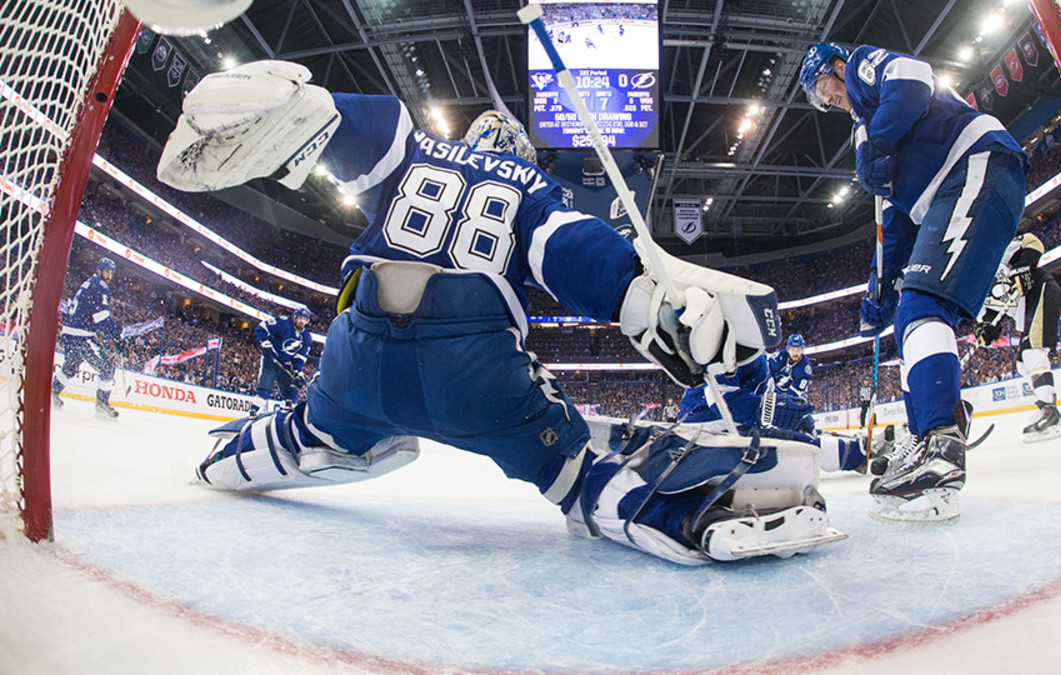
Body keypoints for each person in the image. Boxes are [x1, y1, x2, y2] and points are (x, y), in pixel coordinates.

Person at [157, 60, 847, 565]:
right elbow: (571, 252)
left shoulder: (410, 146)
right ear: (515, 151)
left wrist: (293, 107)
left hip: (357, 347)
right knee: (578, 475)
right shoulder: (531, 186)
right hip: (475, 365)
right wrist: (648, 303)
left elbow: (339, 123)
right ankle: (685, 517)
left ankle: (225, 459)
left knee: (307, 425)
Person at [800, 43, 1029, 524]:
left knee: (923, 303)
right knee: (910, 311)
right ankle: (929, 432)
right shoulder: (863, 132)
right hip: (946, 192)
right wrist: (878, 288)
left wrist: (879, 142)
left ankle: (941, 444)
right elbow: (893, 223)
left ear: (835, 68)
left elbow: (913, 77)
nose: (831, 101)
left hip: (974, 162)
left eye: (826, 90)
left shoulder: (864, 71)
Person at [676, 355, 864, 473]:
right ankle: (852, 454)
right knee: (789, 442)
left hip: (727, 425)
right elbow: (721, 400)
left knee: (790, 438)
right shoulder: (728, 347)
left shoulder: (759, 358)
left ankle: (849, 452)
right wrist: (770, 410)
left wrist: (795, 415)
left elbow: (770, 396)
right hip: (703, 429)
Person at [975, 232, 1061, 441]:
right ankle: (1047, 404)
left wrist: (1022, 267)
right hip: (1028, 311)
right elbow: (988, 322)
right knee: (1023, 364)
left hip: (1042, 292)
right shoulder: (975, 289)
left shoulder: (991, 252)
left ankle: (1049, 411)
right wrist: (985, 331)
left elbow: (1032, 242)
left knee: (1034, 352)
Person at [51, 257, 124, 420]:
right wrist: (118, 334)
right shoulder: (101, 286)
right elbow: (102, 319)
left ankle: (52, 392)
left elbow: (74, 303)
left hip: (69, 333)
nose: (109, 276)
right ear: (99, 270)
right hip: (81, 335)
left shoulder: (87, 284)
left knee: (71, 365)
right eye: (107, 271)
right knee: (107, 366)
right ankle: (102, 404)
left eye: (111, 273)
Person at [251, 307, 313, 415]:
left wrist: (298, 372)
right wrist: (264, 342)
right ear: (295, 318)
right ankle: (254, 411)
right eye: (299, 318)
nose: (301, 321)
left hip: (285, 364)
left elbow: (299, 357)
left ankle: (285, 412)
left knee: (292, 390)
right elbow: (262, 327)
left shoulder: (306, 337)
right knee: (265, 388)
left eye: (304, 319)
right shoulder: (284, 324)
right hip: (271, 359)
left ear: (307, 321)